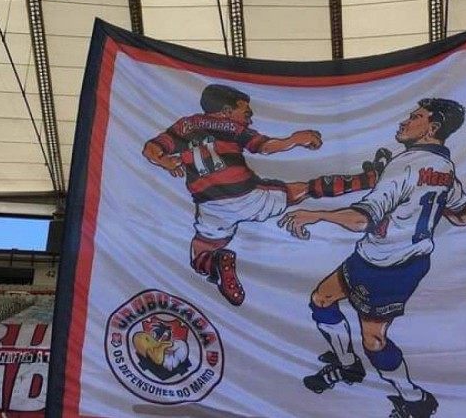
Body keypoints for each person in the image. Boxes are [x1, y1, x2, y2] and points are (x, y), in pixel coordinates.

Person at [279, 98, 466, 418]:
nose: (405, 121)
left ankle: (415, 400)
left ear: (433, 128)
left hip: (387, 266)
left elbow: (362, 220)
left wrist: (315, 215)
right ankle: (348, 366)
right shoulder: (445, 169)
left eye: (415, 117)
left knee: (373, 340)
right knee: (322, 298)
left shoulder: (406, 164)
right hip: (382, 257)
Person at [143, 84, 386, 306]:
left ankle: (216, 263)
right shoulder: (233, 127)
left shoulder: (184, 125)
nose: (250, 118)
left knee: (200, 254)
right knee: (302, 190)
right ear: (227, 111)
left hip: (210, 207)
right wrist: (295, 140)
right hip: (246, 195)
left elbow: (151, 149)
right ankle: (369, 179)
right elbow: (266, 147)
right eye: (246, 113)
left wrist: (165, 161)